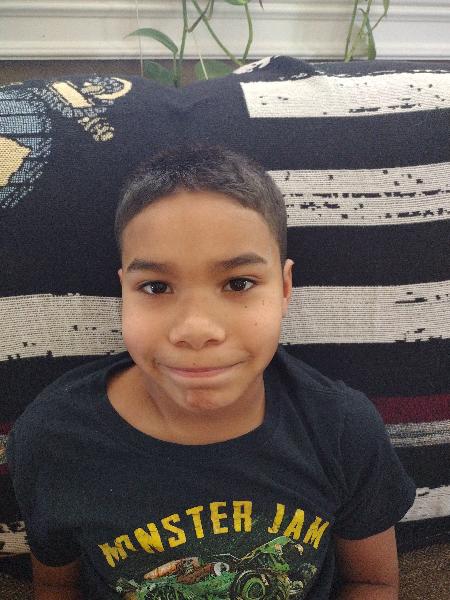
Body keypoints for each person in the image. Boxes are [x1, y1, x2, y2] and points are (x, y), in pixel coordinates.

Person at [7, 143, 416, 600]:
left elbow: (372, 580)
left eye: (239, 283)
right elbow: (55, 586)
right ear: (124, 291)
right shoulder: (53, 440)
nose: (195, 330)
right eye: (155, 287)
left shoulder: (342, 429)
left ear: (284, 289)